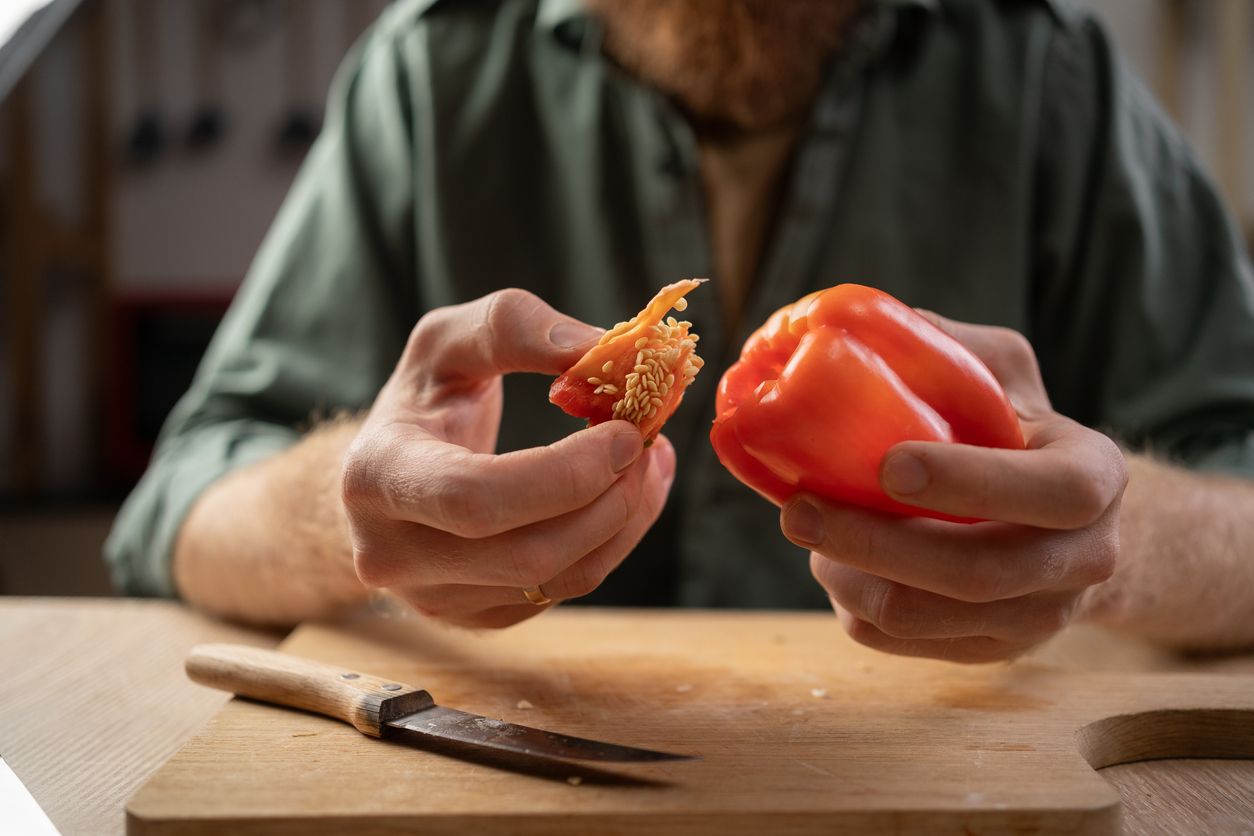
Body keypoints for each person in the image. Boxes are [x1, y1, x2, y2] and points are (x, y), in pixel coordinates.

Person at [106, 0, 1254, 661]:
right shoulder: (429, 72)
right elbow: (181, 503)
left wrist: (1113, 542)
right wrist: (344, 514)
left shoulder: (1045, 73)